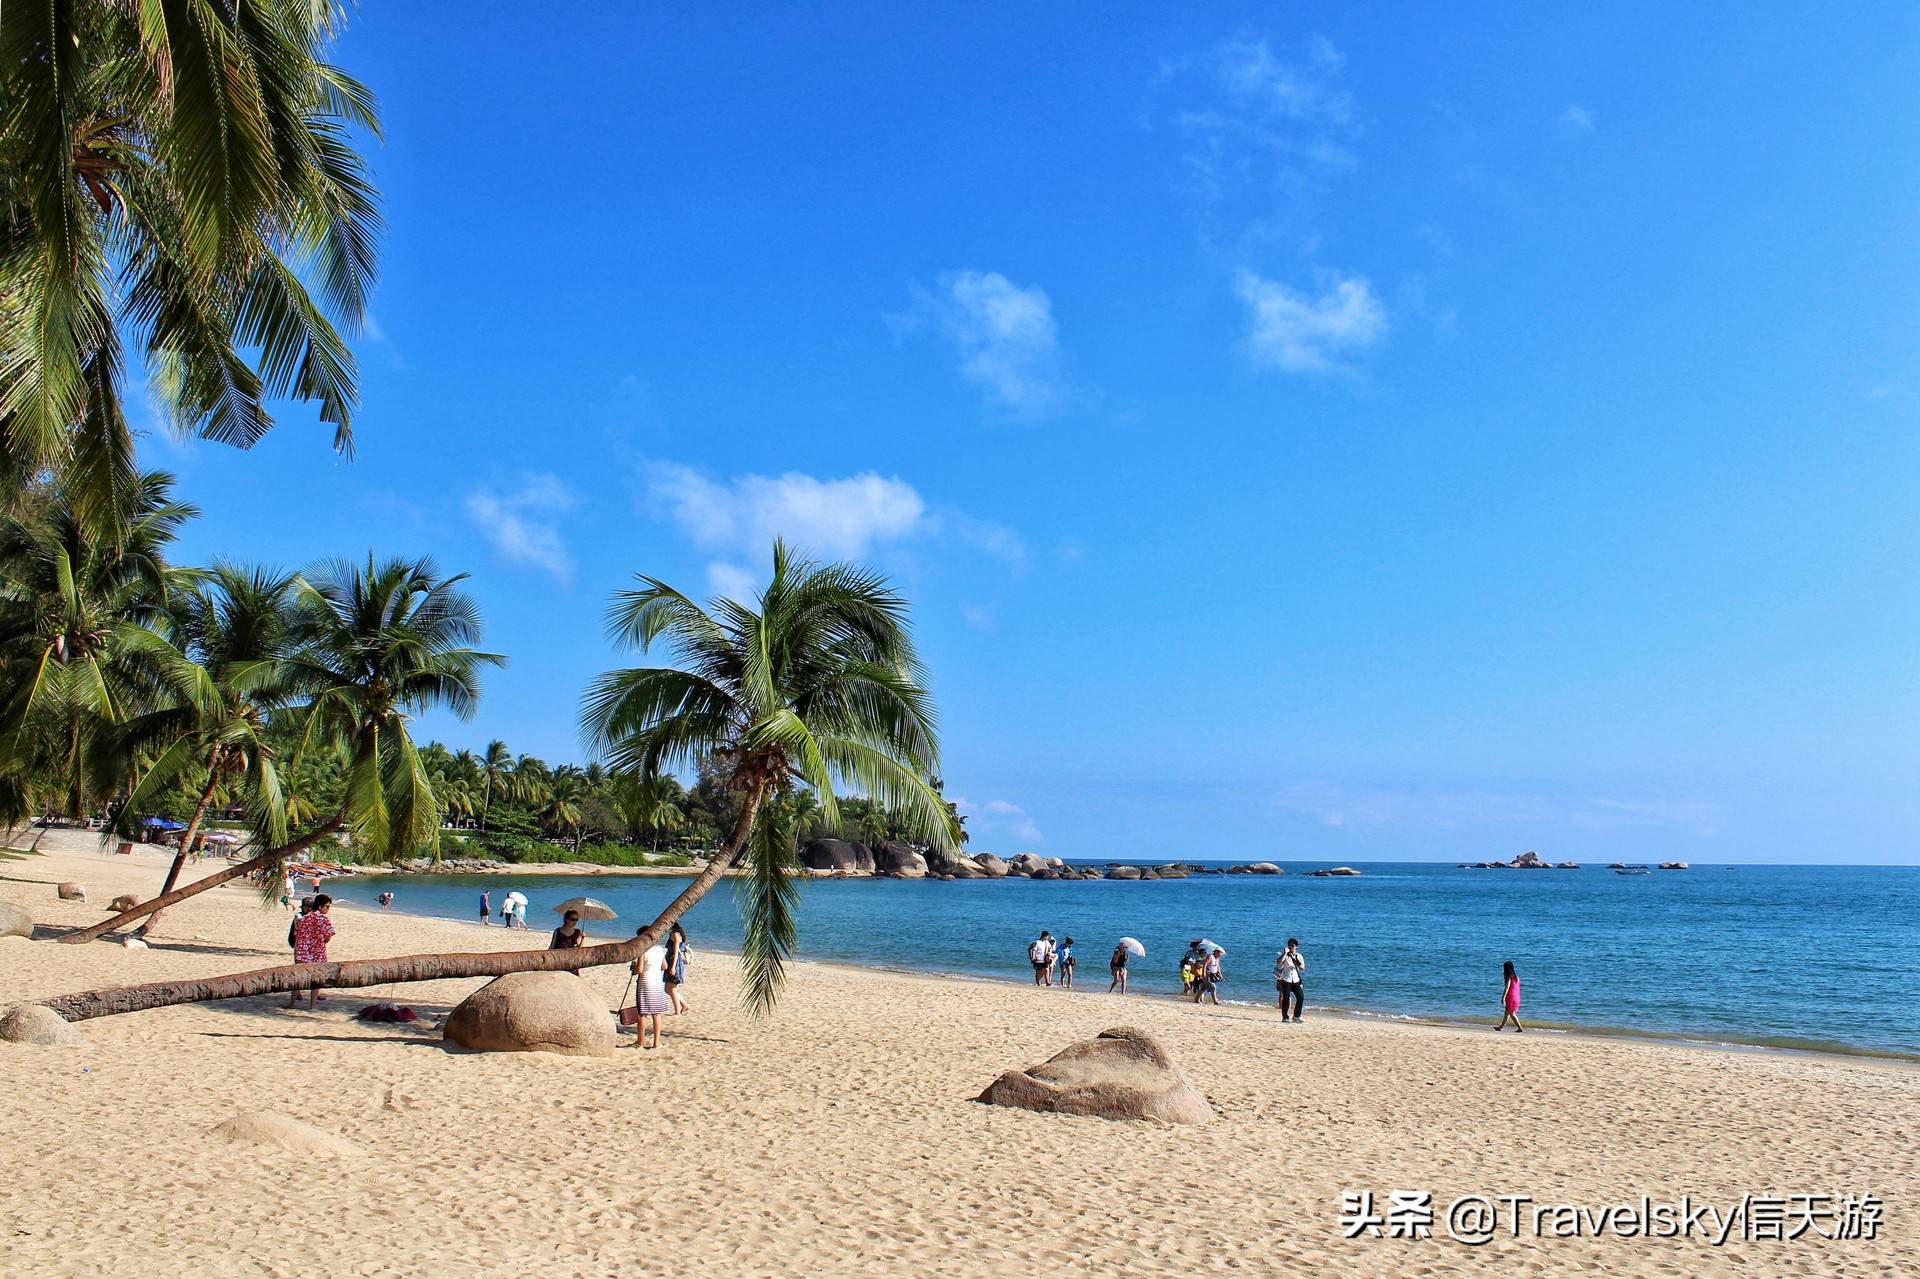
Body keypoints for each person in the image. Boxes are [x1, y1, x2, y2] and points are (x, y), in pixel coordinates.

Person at [287, 894, 334, 1010]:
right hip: (318, 953)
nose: (328, 909)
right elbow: (328, 937)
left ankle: (292, 1004)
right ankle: (312, 1006)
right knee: (316, 980)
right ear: (320, 906)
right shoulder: (323, 919)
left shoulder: (303, 919)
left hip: (302, 953)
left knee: (298, 980)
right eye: (327, 907)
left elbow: (296, 934)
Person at [629, 928, 672, 1049]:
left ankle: (640, 1042)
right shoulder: (659, 949)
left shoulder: (642, 951)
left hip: (645, 983)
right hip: (657, 982)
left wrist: (634, 968)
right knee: (656, 1014)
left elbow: (640, 969)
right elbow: (665, 966)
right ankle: (656, 1043)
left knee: (642, 1014)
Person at [1274, 938, 1306, 1022]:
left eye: (1293, 945)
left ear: (1296, 947)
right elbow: (1279, 963)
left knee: (1301, 997)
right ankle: (1285, 1017)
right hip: (1286, 979)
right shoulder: (1285, 955)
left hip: (1296, 980)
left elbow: (1302, 968)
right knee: (1286, 999)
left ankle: (1296, 1016)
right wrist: (1285, 953)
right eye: (1290, 945)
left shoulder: (1299, 956)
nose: (1291, 947)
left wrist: (1296, 961)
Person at [663, 923, 691, 1014]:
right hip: (670, 961)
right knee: (668, 989)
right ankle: (684, 1005)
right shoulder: (673, 933)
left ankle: (677, 1011)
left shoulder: (675, 934)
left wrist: (673, 967)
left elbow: (675, 953)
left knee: (671, 989)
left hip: (673, 962)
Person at [1496, 960, 1524, 1032]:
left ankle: (1520, 1027)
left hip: (1511, 997)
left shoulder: (1509, 977)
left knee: (1511, 1013)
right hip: (1516, 997)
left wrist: (1503, 997)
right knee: (1507, 1012)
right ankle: (1501, 1027)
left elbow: (1507, 987)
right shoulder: (1517, 977)